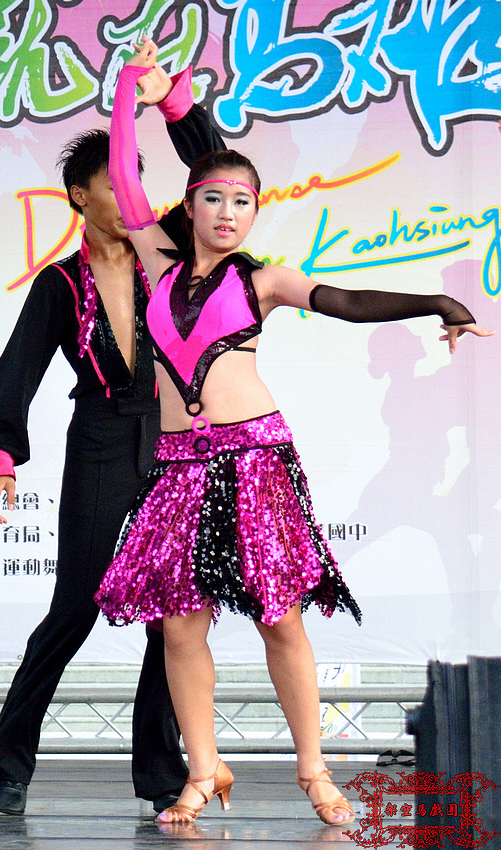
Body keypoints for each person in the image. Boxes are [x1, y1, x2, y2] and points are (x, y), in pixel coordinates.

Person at [94, 42, 494, 827]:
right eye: (214, 199)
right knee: (179, 626)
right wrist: (131, 90)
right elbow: (125, 176)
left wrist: (437, 304)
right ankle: (203, 771)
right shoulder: (155, 258)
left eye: (243, 202)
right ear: (191, 205)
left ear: (254, 213)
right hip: (178, 465)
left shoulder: (263, 279)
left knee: (280, 616)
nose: (228, 212)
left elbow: (347, 302)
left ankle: (314, 770)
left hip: (253, 458)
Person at [0, 58, 226, 817]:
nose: (130, 194)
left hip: (177, 439)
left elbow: (214, 171)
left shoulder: (169, 246)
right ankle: (10, 756)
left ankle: (161, 773)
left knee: (173, 616)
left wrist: (174, 105)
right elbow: (17, 370)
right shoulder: (60, 283)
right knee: (74, 606)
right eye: (115, 183)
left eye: (135, 179)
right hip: (102, 439)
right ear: (80, 195)